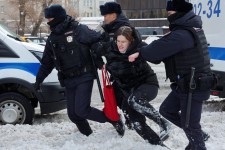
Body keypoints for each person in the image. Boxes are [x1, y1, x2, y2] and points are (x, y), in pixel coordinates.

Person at [128, 0, 214, 149]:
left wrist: (140, 52)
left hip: (193, 87)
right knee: (167, 110)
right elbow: (162, 51)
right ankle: (197, 137)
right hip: (185, 85)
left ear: (180, 13)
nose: (168, 17)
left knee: (190, 126)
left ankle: (197, 141)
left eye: (170, 13)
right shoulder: (186, 30)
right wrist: (144, 49)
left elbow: (157, 49)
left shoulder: (183, 34)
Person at [34, 4, 125, 137]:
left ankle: (114, 119)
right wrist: (38, 80)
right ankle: (87, 136)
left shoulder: (78, 30)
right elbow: (47, 63)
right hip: (68, 79)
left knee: (82, 110)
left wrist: (101, 54)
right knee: (73, 114)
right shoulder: (52, 39)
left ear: (58, 17)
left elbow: (98, 39)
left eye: (50, 18)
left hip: (84, 75)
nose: (48, 21)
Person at [99, 2, 170, 140]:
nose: (104, 18)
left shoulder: (128, 32)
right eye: (117, 41)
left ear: (113, 15)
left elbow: (149, 51)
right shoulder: (108, 36)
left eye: (106, 15)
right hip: (125, 85)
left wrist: (141, 53)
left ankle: (163, 123)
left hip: (144, 83)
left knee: (134, 100)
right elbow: (101, 49)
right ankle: (154, 143)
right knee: (135, 118)